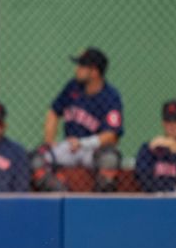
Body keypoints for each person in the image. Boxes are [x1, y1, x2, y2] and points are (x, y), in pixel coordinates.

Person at [30, 47, 124, 192]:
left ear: (94, 72)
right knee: (35, 160)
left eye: (82, 66)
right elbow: (53, 112)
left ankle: (98, 203)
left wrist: (83, 143)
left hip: (92, 150)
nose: (77, 69)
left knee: (110, 159)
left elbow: (112, 136)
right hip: (70, 147)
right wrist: (49, 141)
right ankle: (63, 195)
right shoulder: (73, 86)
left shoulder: (110, 96)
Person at [135, 100, 176, 194]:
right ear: (163, 123)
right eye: (168, 121)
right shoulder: (150, 148)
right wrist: (174, 187)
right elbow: (144, 180)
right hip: (156, 199)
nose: (172, 126)